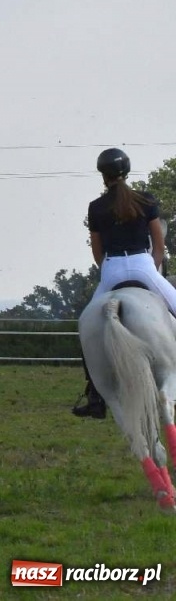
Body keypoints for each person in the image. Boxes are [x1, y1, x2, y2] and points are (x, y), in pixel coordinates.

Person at [72, 148, 176, 419]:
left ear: (103, 176)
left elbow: (97, 252)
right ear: (126, 172)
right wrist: (150, 269)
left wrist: (110, 270)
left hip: (112, 270)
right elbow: (158, 242)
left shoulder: (96, 207)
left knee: (86, 326)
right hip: (143, 265)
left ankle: (95, 394)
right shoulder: (146, 200)